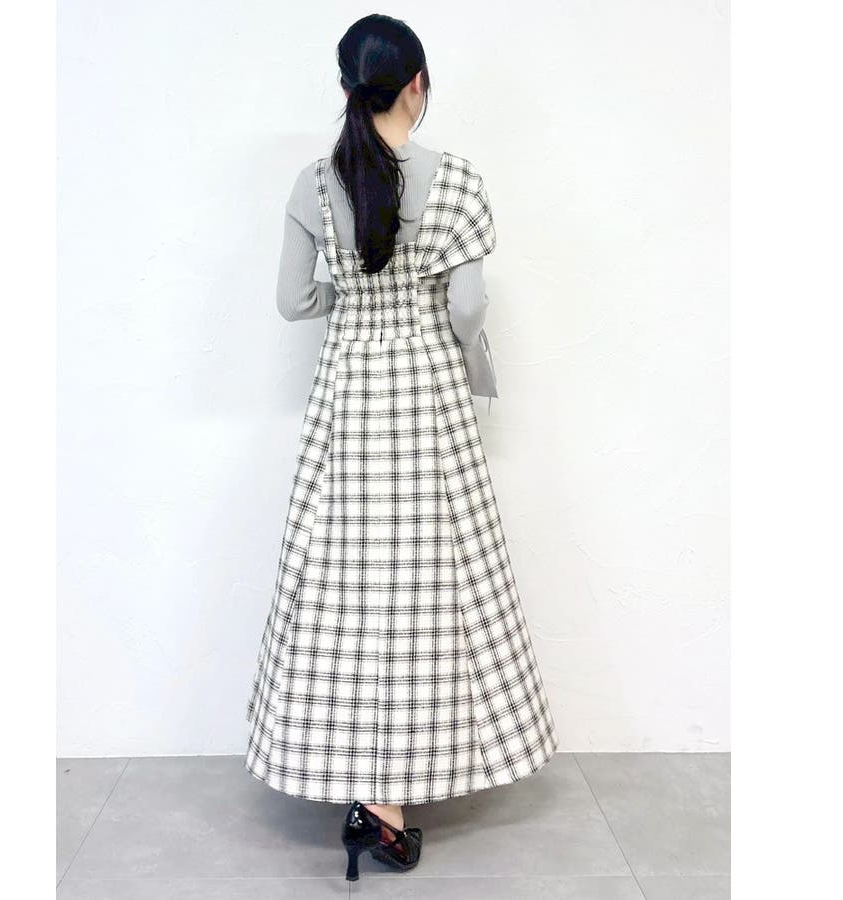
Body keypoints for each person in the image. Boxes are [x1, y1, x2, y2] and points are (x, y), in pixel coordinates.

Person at [244, 13, 559, 882]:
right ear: (417, 83)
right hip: (426, 395)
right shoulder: (457, 181)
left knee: (344, 585)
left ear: (348, 88)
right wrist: (432, 326)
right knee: (431, 585)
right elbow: (466, 307)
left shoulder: (313, 183)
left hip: (348, 393)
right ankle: (394, 799)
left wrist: (353, 304)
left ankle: (364, 793)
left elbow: (292, 301)